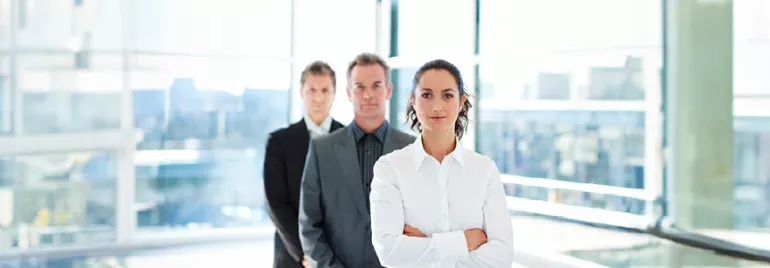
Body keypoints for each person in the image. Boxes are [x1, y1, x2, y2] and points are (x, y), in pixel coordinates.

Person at [369, 59, 514, 267]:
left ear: (461, 101)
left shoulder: (484, 170)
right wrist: (465, 241)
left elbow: (502, 257)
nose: (437, 106)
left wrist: (425, 247)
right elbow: (389, 253)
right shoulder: (390, 169)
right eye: (427, 95)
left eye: (447, 95)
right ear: (413, 100)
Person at [299, 53, 415, 268]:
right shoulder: (321, 150)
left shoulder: (413, 149)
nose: (368, 94)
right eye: (360, 86)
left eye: (376, 86)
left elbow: (422, 222)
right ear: (349, 93)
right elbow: (309, 225)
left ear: (388, 90)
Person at [264, 61, 345, 268]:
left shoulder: (351, 140)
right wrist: (305, 252)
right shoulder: (278, 142)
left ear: (335, 93)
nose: (318, 97)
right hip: (293, 257)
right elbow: (276, 204)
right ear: (302, 92)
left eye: (325, 90)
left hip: (341, 255)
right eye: (312, 90)